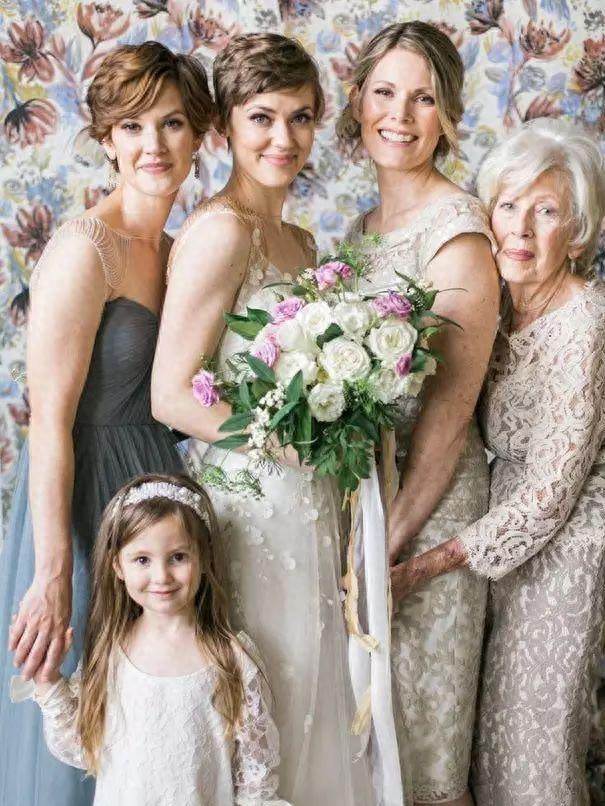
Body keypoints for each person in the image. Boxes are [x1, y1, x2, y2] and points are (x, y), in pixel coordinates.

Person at [152, 33, 376, 806]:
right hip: (251, 506)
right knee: (263, 706)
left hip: (307, 503)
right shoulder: (222, 232)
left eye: (300, 117)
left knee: (312, 693)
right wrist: (288, 445)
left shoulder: (301, 240)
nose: (283, 138)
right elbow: (171, 395)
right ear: (224, 126)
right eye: (261, 117)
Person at [0, 42, 213, 806]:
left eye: (171, 124)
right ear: (107, 138)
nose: (153, 145)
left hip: (158, 501)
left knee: (153, 726)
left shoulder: (182, 252)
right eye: (131, 127)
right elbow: (50, 423)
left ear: (198, 135)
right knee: (84, 720)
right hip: (84, 501)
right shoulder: (83, 248)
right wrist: (56, 571)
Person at [392, 119, 605, 806]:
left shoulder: (585, 324)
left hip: (567, 548)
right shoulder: (500, 303)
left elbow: (549, 496)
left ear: (576, 234)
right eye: (509, 205)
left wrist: (426, 565)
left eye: (547, 212)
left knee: (537, 759)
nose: (521, 228)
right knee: (488, 754)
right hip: (501, 539)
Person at [338, 21, 500, 806]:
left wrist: (384, 551)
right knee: (366, 753)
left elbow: (446, 421)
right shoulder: (358, 232)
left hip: (427, 514)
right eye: (383, 93)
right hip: (367, 501)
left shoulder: (458, 233)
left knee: (424, 758)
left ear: (447, 117)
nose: (398, 116)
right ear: (357, 102)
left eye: (423, 98)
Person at [12, 473, 290, 806]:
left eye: (178, 557)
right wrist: (49, 683)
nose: (161, 576)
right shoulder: (111, 650)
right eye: (142, 560)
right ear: (118, 566)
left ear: (203, 558)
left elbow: (256, 784)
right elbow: (83, 747)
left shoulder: (231, 658)